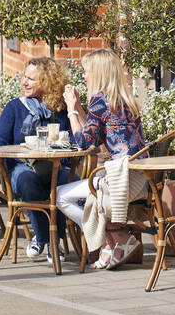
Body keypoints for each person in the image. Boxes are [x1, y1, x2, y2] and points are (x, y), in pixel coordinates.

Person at [56, 49, 147, 269]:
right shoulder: (125, 99)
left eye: (86, 71)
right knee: (89, 197)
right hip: (138, 178)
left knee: (61, 196)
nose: (84, 76)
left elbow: (84, 142)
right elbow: (95, 133)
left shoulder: (100, 99)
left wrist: (70, 108)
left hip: (118, 182)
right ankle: (112, 244)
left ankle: (114, 239)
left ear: (97, 72)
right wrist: (78, 107)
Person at [0, 57, 70, 262]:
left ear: (47, 82)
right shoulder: (14, 107)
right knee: (27, 179)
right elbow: (0, 139)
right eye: (25, 77)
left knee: (64, 182)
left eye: (31, 79)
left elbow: (72, 139)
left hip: (55, 165)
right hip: (23, 165)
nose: (24, 83)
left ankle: (52, 239)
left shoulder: (60, 109)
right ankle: (46, 237)